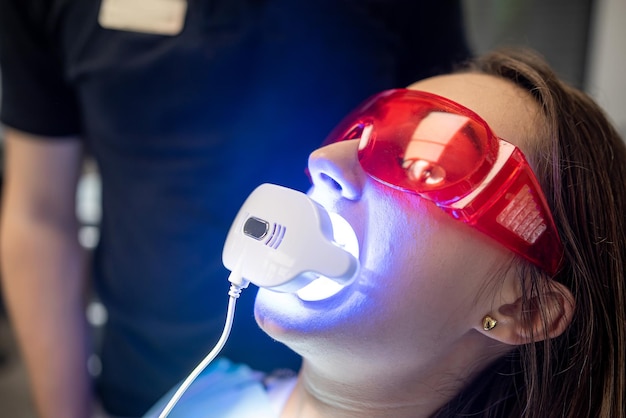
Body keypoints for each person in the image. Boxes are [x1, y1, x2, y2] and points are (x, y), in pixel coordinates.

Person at [0, 1, 470, 417]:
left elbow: (444, 148)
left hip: (350, 383)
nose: (327, 164)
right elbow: (38, 212)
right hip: (142, 378)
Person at [144, 48, 626, 418]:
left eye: (424, 160)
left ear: (525, 308)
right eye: (357, 132)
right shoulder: (203, 394)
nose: (325, 162)